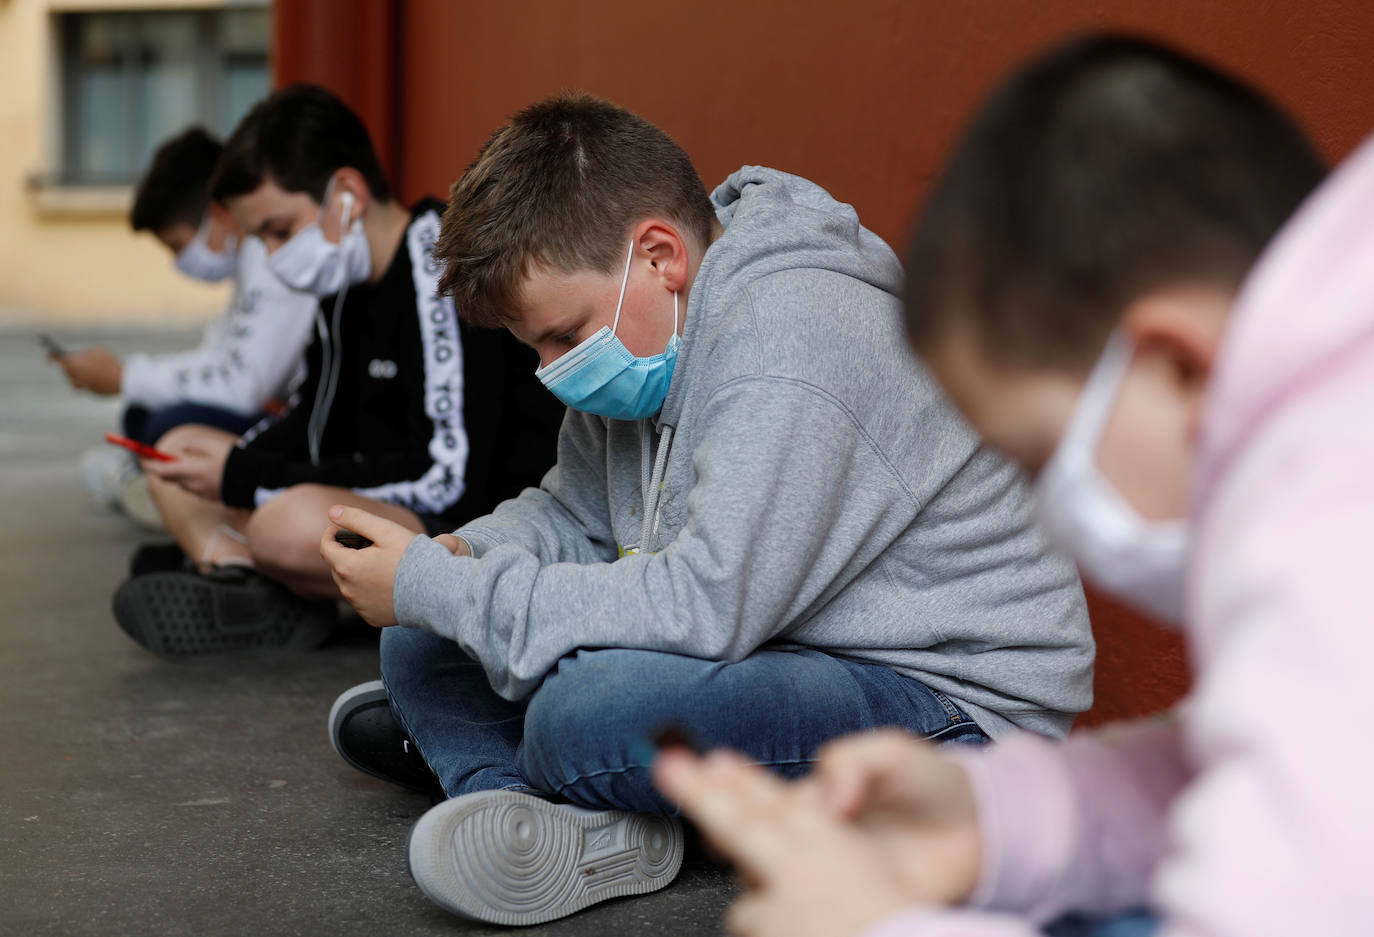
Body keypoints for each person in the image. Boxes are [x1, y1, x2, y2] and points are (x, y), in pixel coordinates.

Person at [317, 92, 1095, 926]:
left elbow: (706, 605)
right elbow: (572, 515)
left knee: (589, 710)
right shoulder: (650, 329)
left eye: (563, 336)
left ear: (660, 256)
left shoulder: (789, 349)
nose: (551, 370)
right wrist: (454, 559)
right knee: (418, 638)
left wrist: (447, 588)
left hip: (949, 704)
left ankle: (545, 770)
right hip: (781, 645)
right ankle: (529, 810)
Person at [655, 34, 1373, 937]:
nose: (1048, 516)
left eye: (1039, 458)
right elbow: (1285, 763)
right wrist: (995, 816)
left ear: (1179, 367)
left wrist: (877, 927)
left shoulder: (1329, 530)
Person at [111, 84, 564, 658]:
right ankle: (251, 587)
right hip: (366, 492)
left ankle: (263, 580)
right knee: (180, 447)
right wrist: (235, 466)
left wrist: (251, 477)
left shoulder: (438, 264)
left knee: (284, 523)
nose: (274, 257)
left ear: (347, 193)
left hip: (459, 521)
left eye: (279, 230)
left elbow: (446, 478)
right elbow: (313, 418)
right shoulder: (340, 285)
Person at [54, 126, 316, 527]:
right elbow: (218, 358)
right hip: (275, 413)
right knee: (143, 416)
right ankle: (158, 484)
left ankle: (176, 496)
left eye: (178, 246)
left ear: (220, 213)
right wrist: (128, 376)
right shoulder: (252, 258)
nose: (181, 263)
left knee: (164, 424)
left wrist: (126, 375)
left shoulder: (273, 259)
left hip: (300, 427)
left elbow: (242, 389)